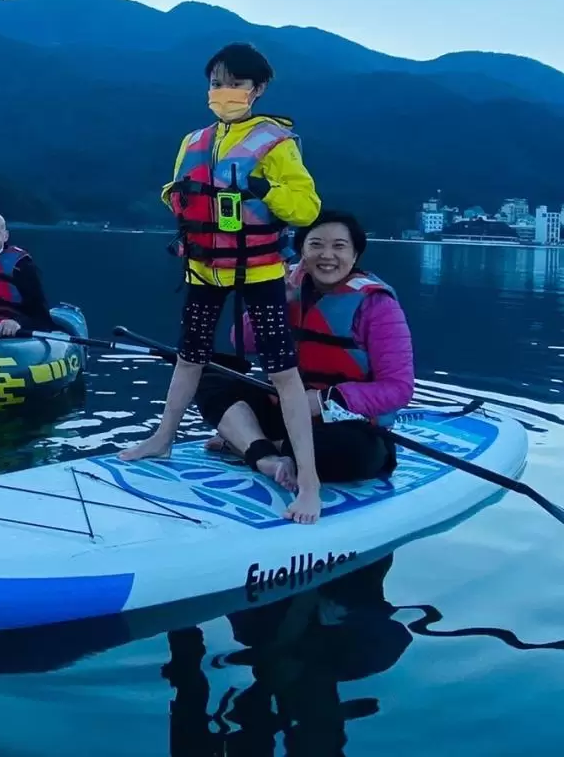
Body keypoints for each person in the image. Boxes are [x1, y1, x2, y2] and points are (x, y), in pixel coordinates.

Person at [119, 42, 324, 525]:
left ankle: (309, 483)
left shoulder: (277, 143)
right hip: (204, 268)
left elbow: (307, 207)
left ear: (257, 89)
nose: (222, 91)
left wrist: (264, 189)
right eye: (215, 82)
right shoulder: (193, 141)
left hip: (260, 271)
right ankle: (163, 438)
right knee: (189, 357)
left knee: (283, 373)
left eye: (233, 82)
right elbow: (179, 195)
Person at [201, 210, 415, 485]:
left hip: (345, 426)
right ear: (301, 251)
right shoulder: (287, 286)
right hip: (284, 410)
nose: (327, 255)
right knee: (211, 378)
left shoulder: (378, 306)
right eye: (316, 245)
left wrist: (327, 400)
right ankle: (266, 455)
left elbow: (399, 388)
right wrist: (275, 302)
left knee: (351, 452)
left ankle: (248, 441)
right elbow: (242, 341)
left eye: (339, 246)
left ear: (355, 255)